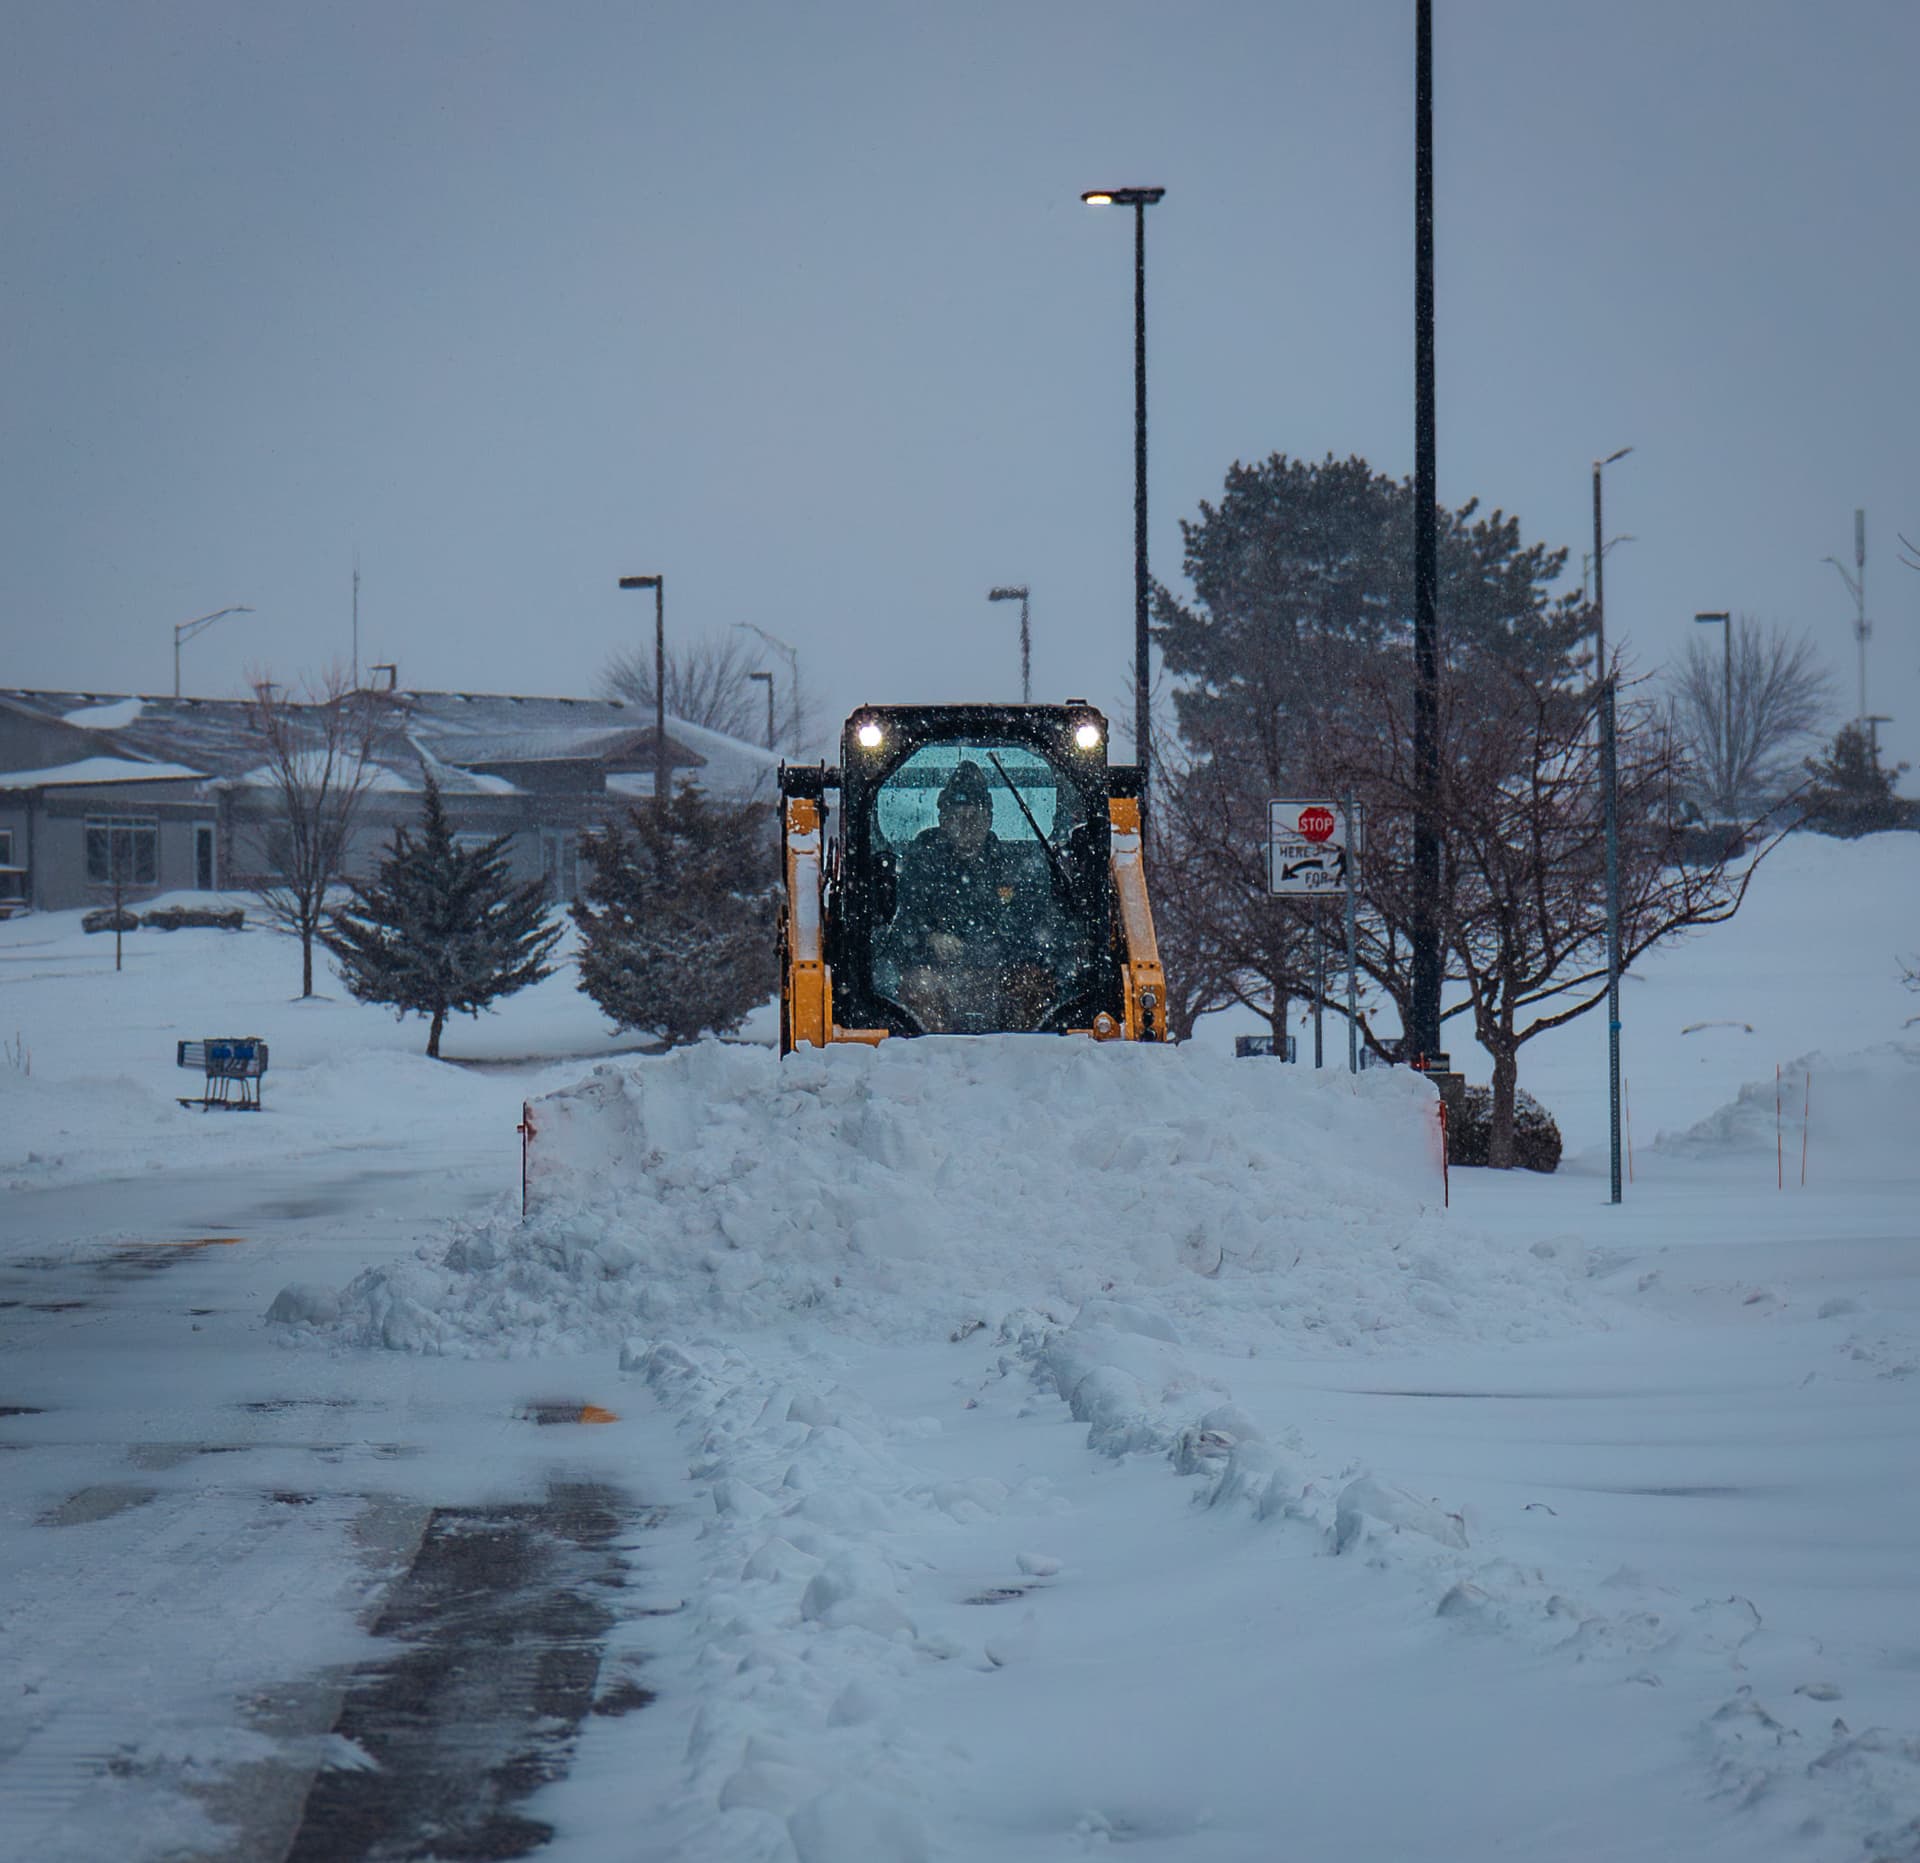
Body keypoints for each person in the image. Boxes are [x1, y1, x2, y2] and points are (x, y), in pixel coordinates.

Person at [884, 759, 1061, 1031]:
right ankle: (929, 1058)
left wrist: (997, 949)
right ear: (942, 820)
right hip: (939, 979)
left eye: (975, 817)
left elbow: (1037, 933)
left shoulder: (1012, 868)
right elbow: (898, 931)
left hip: (1002, 977)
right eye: (957, 817)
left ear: (989, 819)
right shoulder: (921, 866)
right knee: (919, 986)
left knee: (1032, 984)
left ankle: (1027, 1054)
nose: (966, 827)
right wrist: (931, 939)